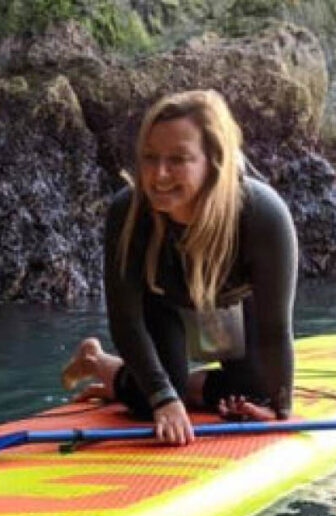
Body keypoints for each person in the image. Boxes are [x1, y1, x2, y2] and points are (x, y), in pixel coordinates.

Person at [61, 89, 298, 446]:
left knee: (253, 394)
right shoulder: (128, 212)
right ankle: (97, 361)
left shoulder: (262, 213)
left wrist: (279, 411)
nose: (159, 175)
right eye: (150, 157)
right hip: (164, 301)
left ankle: (159, 380)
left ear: (213, 161)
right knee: (149, 402)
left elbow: (275, 328)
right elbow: (126, 320)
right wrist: (163, 398)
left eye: (178, 159)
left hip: (234, 301)